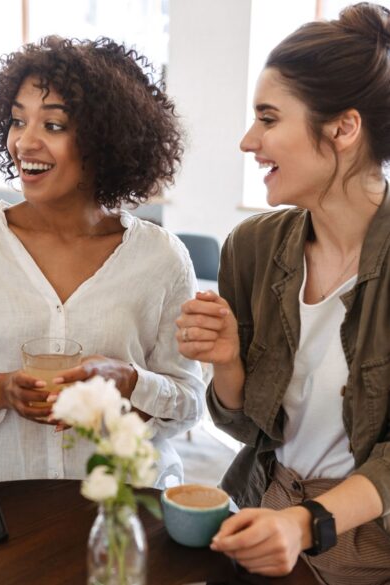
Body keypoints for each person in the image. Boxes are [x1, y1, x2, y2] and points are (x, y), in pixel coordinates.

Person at [0, 36, 204, 489]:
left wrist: (129, 381)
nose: (25, 142)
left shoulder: (160, 259)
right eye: (18, 121)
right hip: (3, 507)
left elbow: (188, 402)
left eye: (54, 126)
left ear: (105, 139)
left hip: (125, 511)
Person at [176, 3, 390, 583]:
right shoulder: (250, 248)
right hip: (264, 510)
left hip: (369, 542)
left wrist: (306, 522)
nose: (249, 140)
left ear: (343, 128)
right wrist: (226, 360)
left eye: (268, 118)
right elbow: (248, 428)